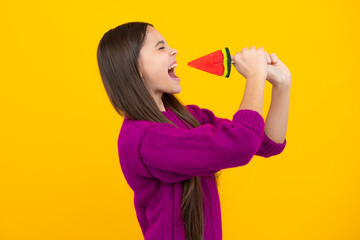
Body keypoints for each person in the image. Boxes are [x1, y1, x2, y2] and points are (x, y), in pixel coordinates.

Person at [96, 21, 290, 240]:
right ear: (135, 68)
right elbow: (242, 143)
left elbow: (265, 142)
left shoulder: (190, 117)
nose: (173, 50)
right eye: (161, 47)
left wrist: (282, 85)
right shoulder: (144, 139)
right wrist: (255, 77)